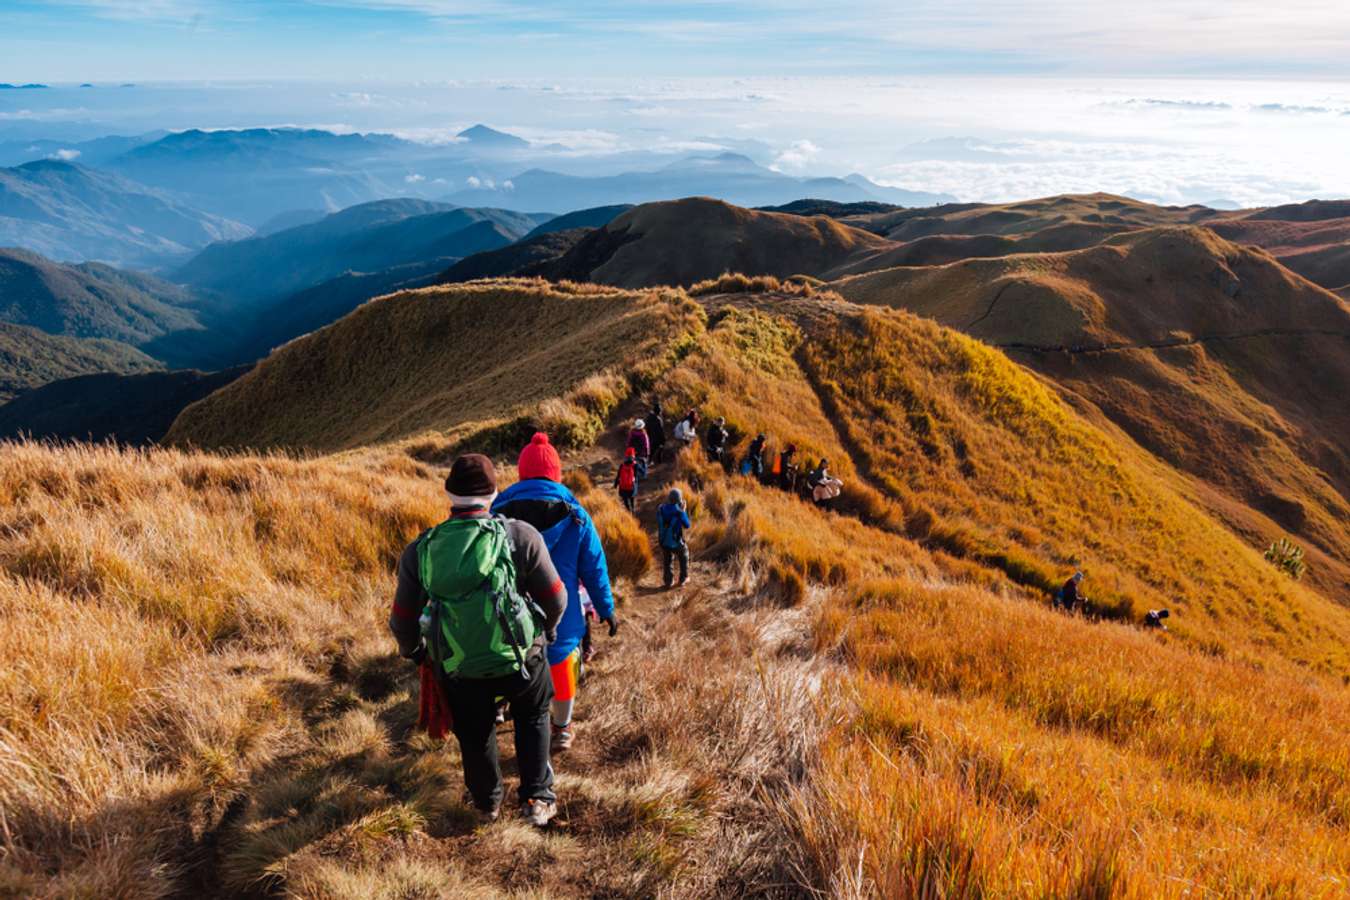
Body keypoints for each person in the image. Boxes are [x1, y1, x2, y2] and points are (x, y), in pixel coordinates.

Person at [389, 453, 568, 827]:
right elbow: (556, 597)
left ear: (449, 494)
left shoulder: (421, 550)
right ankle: (537, 797)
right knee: (533, 714)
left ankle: (486, 802)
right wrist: (546, 632)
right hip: (521, 656)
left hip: (457, 664)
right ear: (494, 493)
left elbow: (402, 622)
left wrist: (419, 654)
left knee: (473, 728)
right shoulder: (520, 536)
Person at [493, 432, 618, 754]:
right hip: (560, 614)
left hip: (509, 613)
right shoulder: (577, 515)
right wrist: (606, 608)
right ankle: (561, 729)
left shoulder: (497, 514)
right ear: (556, 473)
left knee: (510, 658)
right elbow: (594, 567)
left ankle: (503, 709)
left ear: (522, 472)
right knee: (561, 666)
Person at [658, 488, 693, 588]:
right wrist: (683, 511)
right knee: (684, 555)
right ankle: (683, 578)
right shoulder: (679, 512)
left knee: (667, 560)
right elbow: (687, 525)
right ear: (679, 500)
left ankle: (668, 581)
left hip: (663, 541)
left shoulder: (661, 509)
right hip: (676, 542)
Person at [613, 447, 639, 514]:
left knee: (625, 500)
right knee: (632, 498)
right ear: (633, 456)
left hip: (623, 487)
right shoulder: (635, 465)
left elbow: (618, 476)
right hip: (632, 486)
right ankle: (633, 510)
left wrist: (615, 485)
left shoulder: (622, 465)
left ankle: (628, 510)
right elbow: (636, 476)